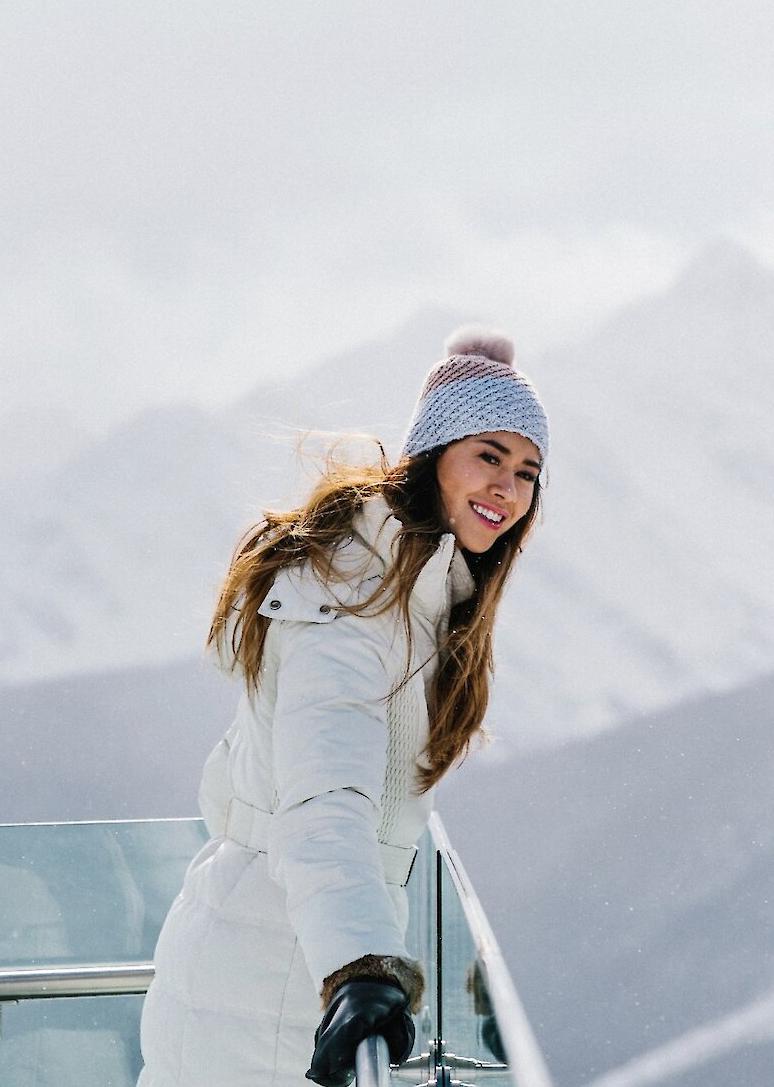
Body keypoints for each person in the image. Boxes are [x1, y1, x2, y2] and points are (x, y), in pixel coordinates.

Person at [138, 327, 548, 1087]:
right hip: (269, 984)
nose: (507, 489)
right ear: (433, 453)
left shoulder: (412, 592)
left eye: (526, 472)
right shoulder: (355, 595)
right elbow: (324, 802)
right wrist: (361, 965)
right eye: (487, 455)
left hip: (284, 962)